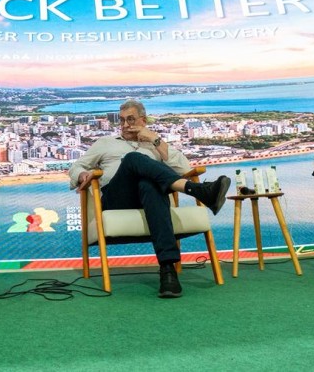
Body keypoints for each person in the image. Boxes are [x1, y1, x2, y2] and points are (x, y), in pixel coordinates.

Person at [69, 99, 230, 298]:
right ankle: (198, 191)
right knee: (133, 158)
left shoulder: (155, 144)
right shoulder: (105, 143)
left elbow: (185, 167)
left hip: (150, 199)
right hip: (117, 199)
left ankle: (168, 271)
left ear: (143, 120)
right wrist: (81, 175)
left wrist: (155, 140)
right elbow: (76, 166)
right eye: (121, 120)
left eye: (131, 119)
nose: (126, 125)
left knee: (149, 185)